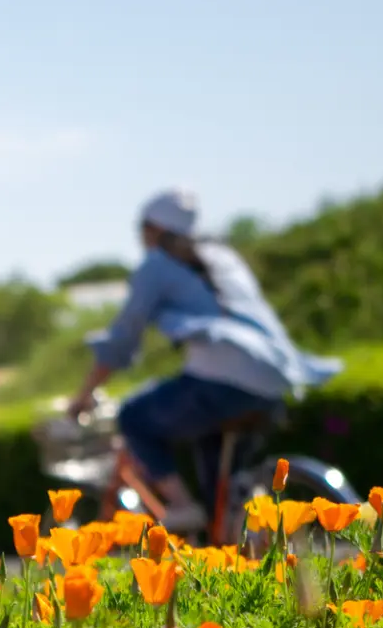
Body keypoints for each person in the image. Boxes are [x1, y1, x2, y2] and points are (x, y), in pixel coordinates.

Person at [69, 188, 342, 535]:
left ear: (153, 229)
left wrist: (83, 395)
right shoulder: (222, 256)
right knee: (218, 488)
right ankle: (225, 530)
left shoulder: (157, 266)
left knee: (134, 417)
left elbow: (122, 340)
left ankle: (183, 508)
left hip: (221, 383)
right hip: (275, 377)